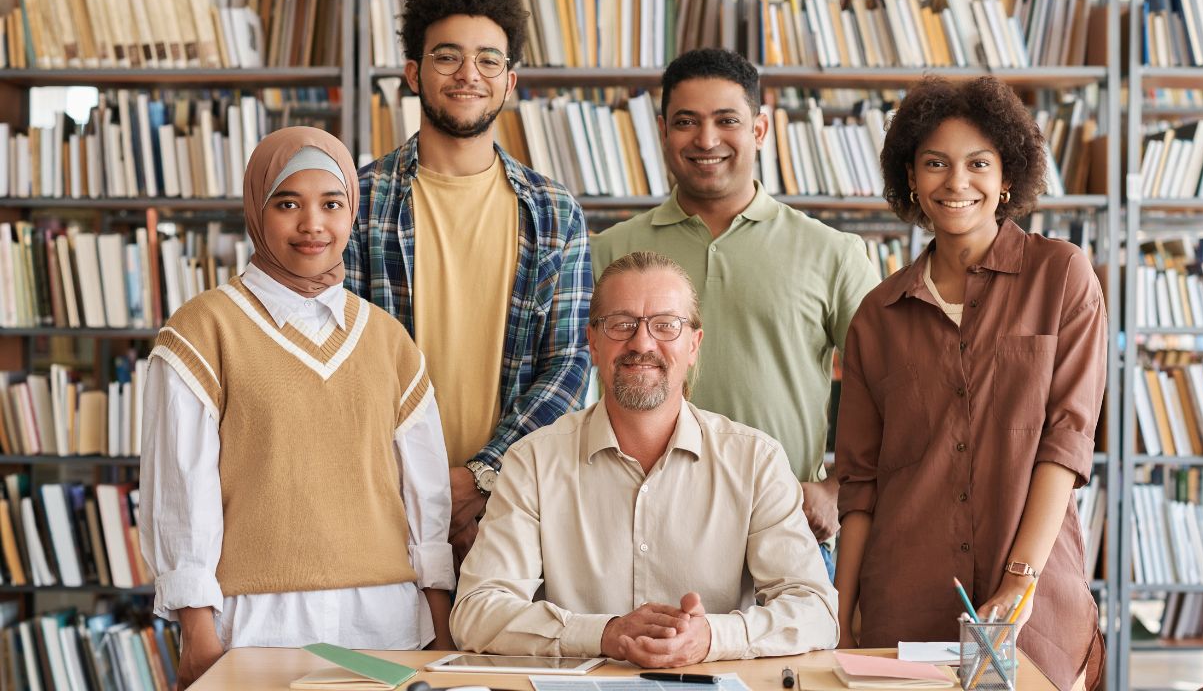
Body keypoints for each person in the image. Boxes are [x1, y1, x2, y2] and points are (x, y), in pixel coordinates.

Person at [140, 127, 454, 688]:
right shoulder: (201, 330)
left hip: (385, 622)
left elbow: (425, 495)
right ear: (257, 213)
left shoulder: (389, 340)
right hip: (257, 624)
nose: (313, 224)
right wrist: (196, 627)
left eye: (332, 204)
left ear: (351, 212)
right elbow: (181, 489)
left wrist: (439, 618)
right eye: (288, 204)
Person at [832, 76, 1105, 691]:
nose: (956, 183)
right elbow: (861, 481)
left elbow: (1065, 440)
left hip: (1034, 608)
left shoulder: (1061, 275)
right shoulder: (877, 315)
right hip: (902, 600)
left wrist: (1020, 579)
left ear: (1008, 176)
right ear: (911, 178)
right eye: (935, 163)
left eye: (978, 163)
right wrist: (841, 616)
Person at [451, 251, 838, 666]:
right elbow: (476, 613)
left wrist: (712, 638)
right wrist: (604, 633)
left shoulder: (756, 461)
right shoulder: (533, 461)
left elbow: (816, 611)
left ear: (694, 344)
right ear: (593, 343)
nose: (642, 342)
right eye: (622, 324)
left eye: (666, 326)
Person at [591, 49, 879, 575]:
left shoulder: (833, 252)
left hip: (786, 524)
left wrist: (840, 488)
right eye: (686, 122)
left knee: (793, 663)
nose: (706, 140)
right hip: (637, 524)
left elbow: (894, 385)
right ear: (662, 132)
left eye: (727, 120)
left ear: (761, 129)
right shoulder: (608, 251)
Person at [345, 0, 592, 566]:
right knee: (385, 660)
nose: (467, 75)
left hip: (514, 505)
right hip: (377, 499)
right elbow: (337, 359)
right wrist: (416, 479)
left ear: (509, 81)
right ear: (413, 73)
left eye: (487, 60)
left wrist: (480, 475)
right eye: (447, 57)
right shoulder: (355, 201)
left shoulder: (555, 212)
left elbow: (569, 364)